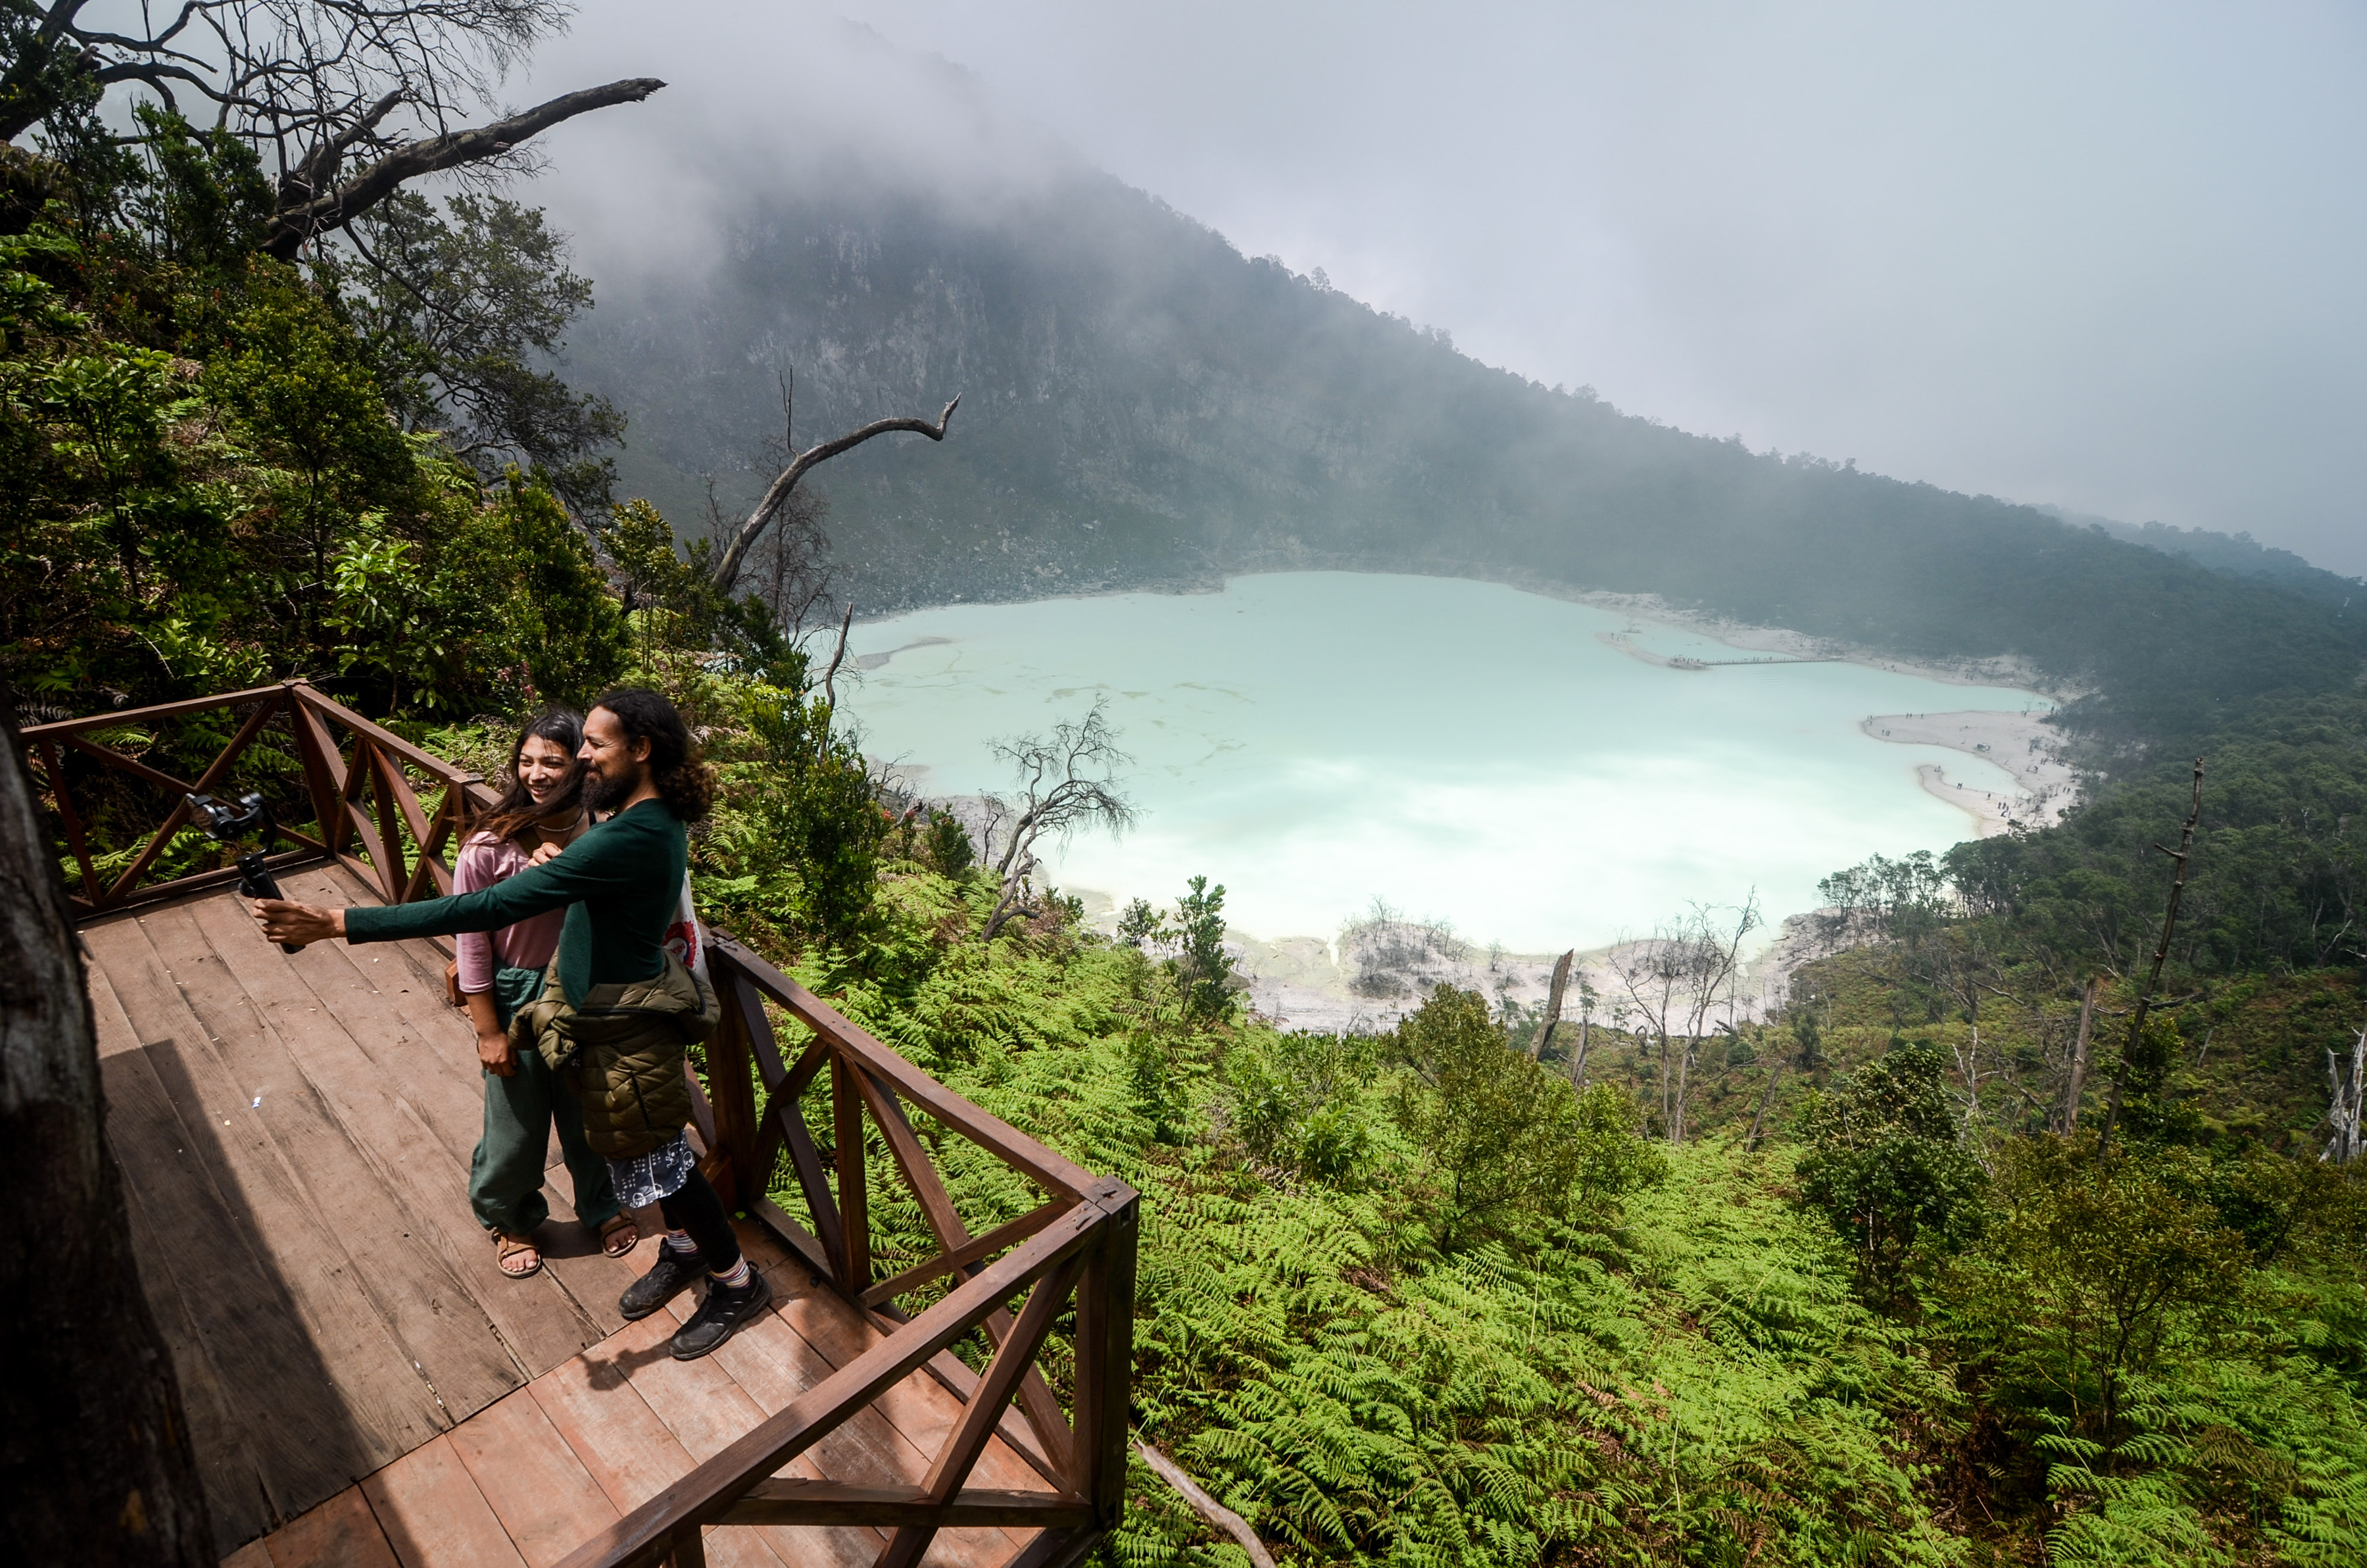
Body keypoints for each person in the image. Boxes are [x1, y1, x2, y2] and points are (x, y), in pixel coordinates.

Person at [255, 689, 770, 1360]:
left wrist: (337, 921)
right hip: (606, 1011)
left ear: (642, 750)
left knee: (664, 1163)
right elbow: (600, 881)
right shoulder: (640, 811)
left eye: (595, 745)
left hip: (628, 1025)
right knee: (638, 1150)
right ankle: (683, 1245)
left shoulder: (628, 834)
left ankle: (736, 1281)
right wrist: (571, 869)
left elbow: (486, 907)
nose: (582, 757)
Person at [452, 710, 635, 1279]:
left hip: (584, 987)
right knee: (516, 1123)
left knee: (589, 1111)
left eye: (551, 762)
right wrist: (487, 1030)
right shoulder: (489, 847)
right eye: (526, 761)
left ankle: (601, 1203)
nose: (536, 774)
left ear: (580, 765)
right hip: (518, 993)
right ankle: (510, 1217)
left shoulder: (602, 828)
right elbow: (472, 945)